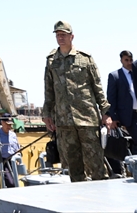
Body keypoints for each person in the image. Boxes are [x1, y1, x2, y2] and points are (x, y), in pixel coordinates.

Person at [42, 21, 112, 182]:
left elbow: (97, 87)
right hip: (64, 121)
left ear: (71, 36)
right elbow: (48, 89)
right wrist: (47, 114)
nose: (60, 38)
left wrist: (105, 112)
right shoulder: (52, 60)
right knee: (73, 167)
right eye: (58, 35)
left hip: (87, 118)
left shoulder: (85, 58)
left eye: (64, 35)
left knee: (96, 165)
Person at [106, 50, 137, 157]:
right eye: (126, 60)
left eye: (130, 60)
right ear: (121, 61)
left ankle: (136, 167)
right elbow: (111, 98)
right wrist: (113, 117)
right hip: (129, 116)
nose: (129, 62)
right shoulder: (115, 76)